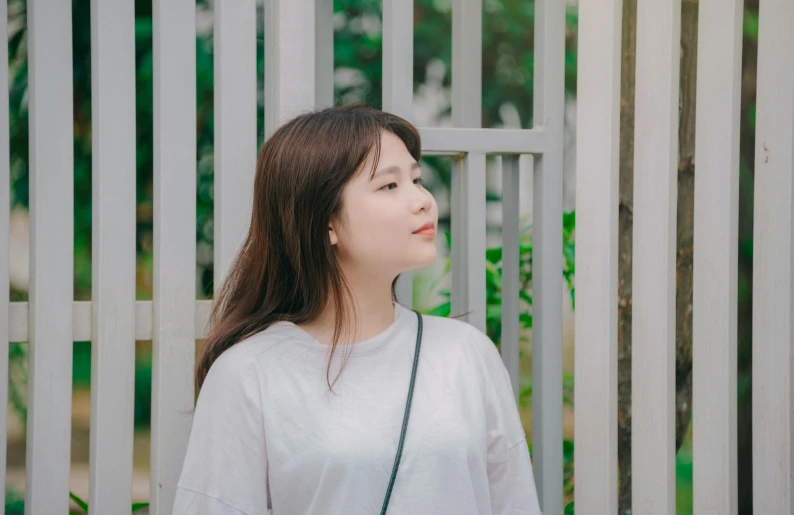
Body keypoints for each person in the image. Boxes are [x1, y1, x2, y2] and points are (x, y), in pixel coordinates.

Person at [172, 105, 542, 515]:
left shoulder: (467, 354)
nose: (423, 201)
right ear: (326, 222)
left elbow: (515, 502)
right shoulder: (249, 375)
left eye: (417, 180)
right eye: (389, 186)